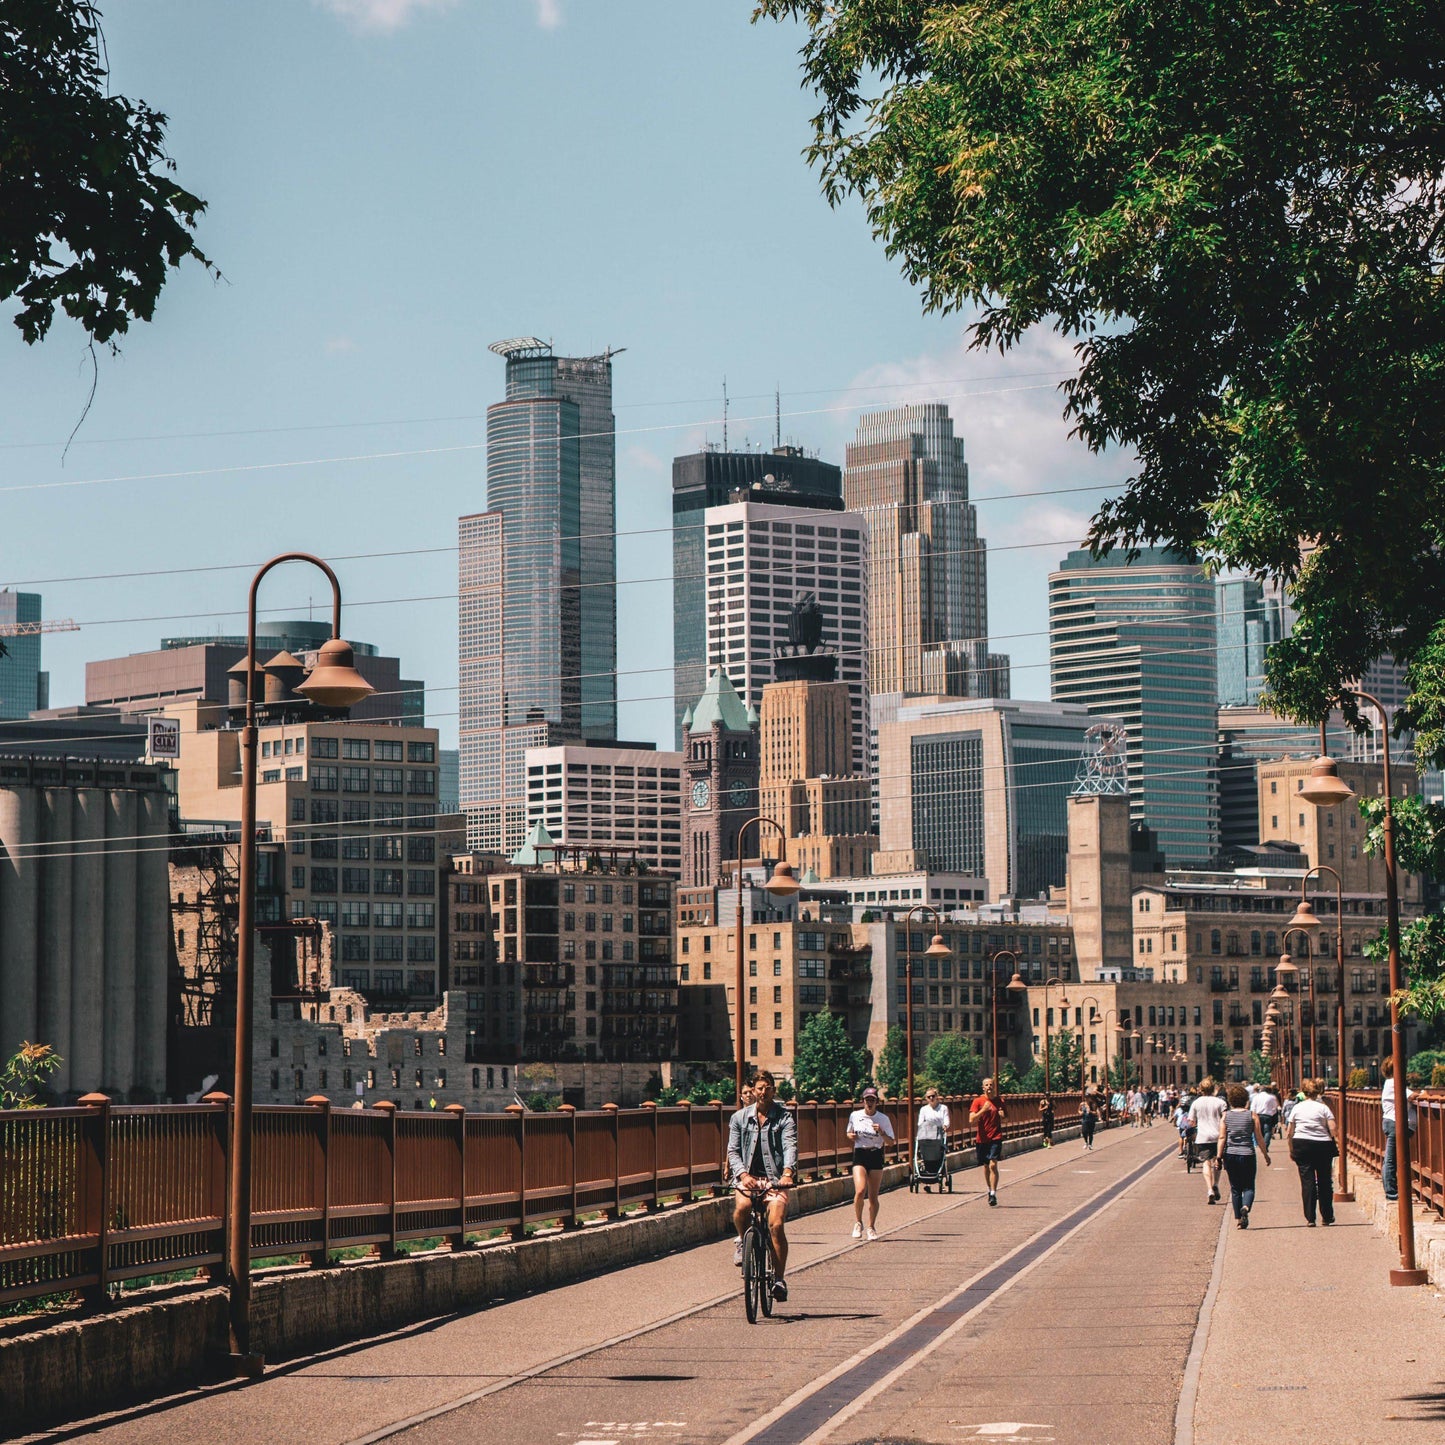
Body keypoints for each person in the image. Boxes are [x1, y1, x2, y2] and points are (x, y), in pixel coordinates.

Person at [727, 1070, 796, 1300]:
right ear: (753, 1091)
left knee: (776, 1225)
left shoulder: (785, 1118)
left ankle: (778, 1279)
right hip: (749, 1177)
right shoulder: (739, 1118)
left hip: (776, 1180)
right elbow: (733, 1151)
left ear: (773, 1091)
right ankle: (742, 1240)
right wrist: (742, 1174)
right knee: (742, 1209)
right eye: (759, 1088)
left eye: (767, 1088)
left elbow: (789, 1146)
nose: (763, 1092)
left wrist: (787, 1172)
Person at [1285, 1077, 1340, 1226]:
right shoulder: (1323, 1107)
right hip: (1322, 1145)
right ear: (1316, 1092)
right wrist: (1332, 1139)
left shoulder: (1297, 1108)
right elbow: (1333, 1129)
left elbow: (1290, 1131)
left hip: (1301, 1144)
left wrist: (1291, 1149)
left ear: (1304, 1092)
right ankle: (1327, 1216)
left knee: (1307, 1181)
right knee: (1324, 1181)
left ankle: (1310, 1218)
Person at [1217, 1082, 1270, 1228]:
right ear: (1246, 1100)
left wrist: (1218, 1157)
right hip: (1247, 1154)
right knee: (1249, 1186)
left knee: (1235, 1188)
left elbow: (1222, 1138)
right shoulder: (1252, 1116)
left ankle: (1239, 1220)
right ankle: (1246, 1207)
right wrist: (1265, 1155)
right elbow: (1259, 1138)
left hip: (1231, 1154)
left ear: (1230, 1100)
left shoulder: (1225, 1116)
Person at [847, 1086, 895, 1239]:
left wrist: (881, 1132)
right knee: (860, 1190)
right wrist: (851, 1136)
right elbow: (849, 1132)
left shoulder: (883, 1119)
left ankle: (871, 1227)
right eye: (867, 1100)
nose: (869, 1103)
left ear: (877, 1102)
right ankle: (858, 1222)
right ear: (863, 1101)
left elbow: (891, 1142)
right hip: (860, 1153)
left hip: (875, 1154)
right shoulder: (855, 1115)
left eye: (872, 1100)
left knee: (873, 1197)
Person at [1380, 1056, 1417, 1202]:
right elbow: (1412, 1096)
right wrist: (1424, 1095)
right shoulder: (1394, 1082)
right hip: (1396, 1124)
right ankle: (1391, 1192)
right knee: (1391, 1159)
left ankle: (1394, 1190)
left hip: (1394, 1123)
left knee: (1393, 1158)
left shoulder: (1390, 1083)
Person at [1188, 1078, 1227, 1204]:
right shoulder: (1220, 1102)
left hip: (1203, 1137)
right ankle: (1215, 1183)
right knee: (1217, 1160)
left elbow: (1191, 1121)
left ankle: (1209, 1189)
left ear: (1201, 1089)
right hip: (1218, 1136)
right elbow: (1225, 1118)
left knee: (1206, 1163)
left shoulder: (1196, 1103)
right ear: (1213, 1088)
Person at [969, 1077, 1007, 1205]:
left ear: (994, 1087)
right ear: (983, 1087)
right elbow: (971, 1119)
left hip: (996, 1137)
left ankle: (993, 1194)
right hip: (982, 1138)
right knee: (986, 1166)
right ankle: (989, 1188)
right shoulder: (978, 1101)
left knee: (993, 1164)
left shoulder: (1000, 1101)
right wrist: (983, 1110)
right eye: (987, 1085)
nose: (989, 1087)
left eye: (991, 1085)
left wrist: (1003, 1116)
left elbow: (1006, 1119)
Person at [915, 1087, 951, 1191]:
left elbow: (946, 1120)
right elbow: (920, 1123)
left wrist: (945, 1126)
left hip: (938, 1134)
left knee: (939, 1154)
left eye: (933, 1096)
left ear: (937, 1097)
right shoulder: (924, 1109)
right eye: (929, 1097)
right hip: (926, 1134)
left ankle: (939, 1174)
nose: (931, 1098)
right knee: (926, 1153)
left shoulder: (943, 1108)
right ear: (926, 1098)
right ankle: (927, 1179)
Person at [1250, 1082, 1280, 1151]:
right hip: (1268, 1116)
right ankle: (1265, 1145)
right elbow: (1275, 1107)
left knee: (1260, 1131)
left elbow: (1252, 1108)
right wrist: (1272, 1114)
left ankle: (1262, 1145)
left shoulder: (1256, 1097)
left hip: (1258, 1115)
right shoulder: (1271, 1097)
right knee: (1267, 1131)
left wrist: (1253, 1116)